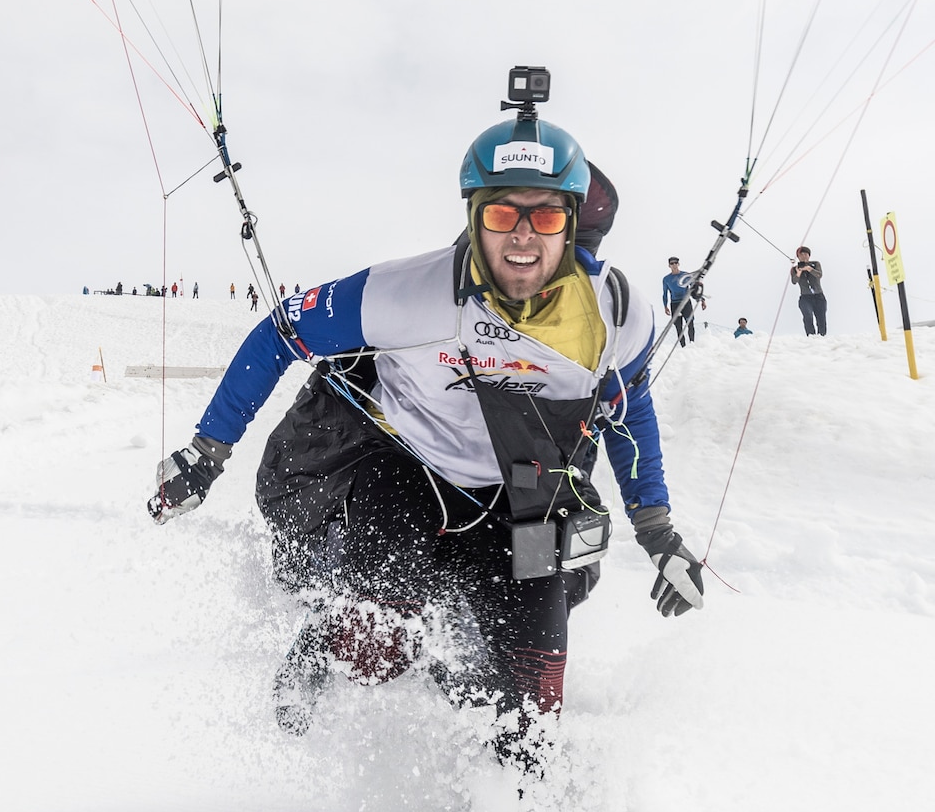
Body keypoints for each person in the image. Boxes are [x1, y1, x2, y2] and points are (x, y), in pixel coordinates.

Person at [148, 96, 704, 769]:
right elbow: (282, 332)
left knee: (527, 716)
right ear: (475, 215)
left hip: (526, 497)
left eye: (546, 216)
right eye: (503, 214)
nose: (523, 237)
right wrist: (206, 453)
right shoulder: (408, 291)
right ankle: (335, 637)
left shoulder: (616, 310)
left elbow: (628, 408)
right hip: (405, 477)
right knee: (380, 649)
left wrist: (659, 533)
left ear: (571, 223)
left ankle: (516, 805)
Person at [660, 257, 704, 346]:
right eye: (672, 263)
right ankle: (683, 346)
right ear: (669, 266)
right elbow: (665, 293)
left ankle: (692, 344)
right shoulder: (666, 279)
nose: (674, 265)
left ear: (678, 264)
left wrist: (702, 300)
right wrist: (665, 306)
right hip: (674, 304)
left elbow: (695, 289)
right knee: (678, 327)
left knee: (690, 323)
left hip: (686, 302)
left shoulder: (686, 275)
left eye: (676, 263)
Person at [791, 246, 827, 335]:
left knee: (821, 318)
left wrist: (809, 269)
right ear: (798, 257)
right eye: (801, 254)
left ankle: (822, 337)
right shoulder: (794, 269)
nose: (804, 256)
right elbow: (794, 281)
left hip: (819, 296)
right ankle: (811, 337)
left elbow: (819, 275)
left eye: (806, 254)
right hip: (805, 297)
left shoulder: (815, 264)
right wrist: (799, 272)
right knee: (807, 316)